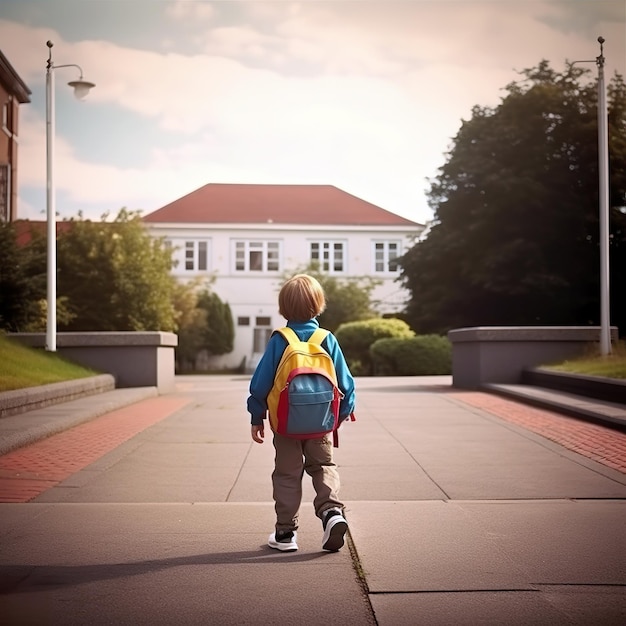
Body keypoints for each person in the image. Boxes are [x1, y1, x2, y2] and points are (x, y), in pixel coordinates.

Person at [247, 274, 356, 553]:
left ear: (283, 307)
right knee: (323, 468)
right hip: (320, 424)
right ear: (318, 305)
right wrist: (338, 416)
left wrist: (256, 415)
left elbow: (260, 383)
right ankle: (332, 513)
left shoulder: (279, 340)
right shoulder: (326, 339)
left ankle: (285, 533)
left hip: (285, 425)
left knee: (286, 474)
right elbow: (346, 385)